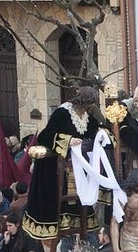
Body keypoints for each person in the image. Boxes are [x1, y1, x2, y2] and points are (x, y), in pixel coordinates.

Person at [23, 87, 101, 240]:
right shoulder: (62, 113)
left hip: (77, 167)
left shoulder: (87, 116)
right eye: (88, 104)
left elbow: (94, 130)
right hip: (55, 167)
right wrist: (68, 140)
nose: (90, 107)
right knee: (57, 202)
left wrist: (102, 135)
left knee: (78, 203)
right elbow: (45, 136)